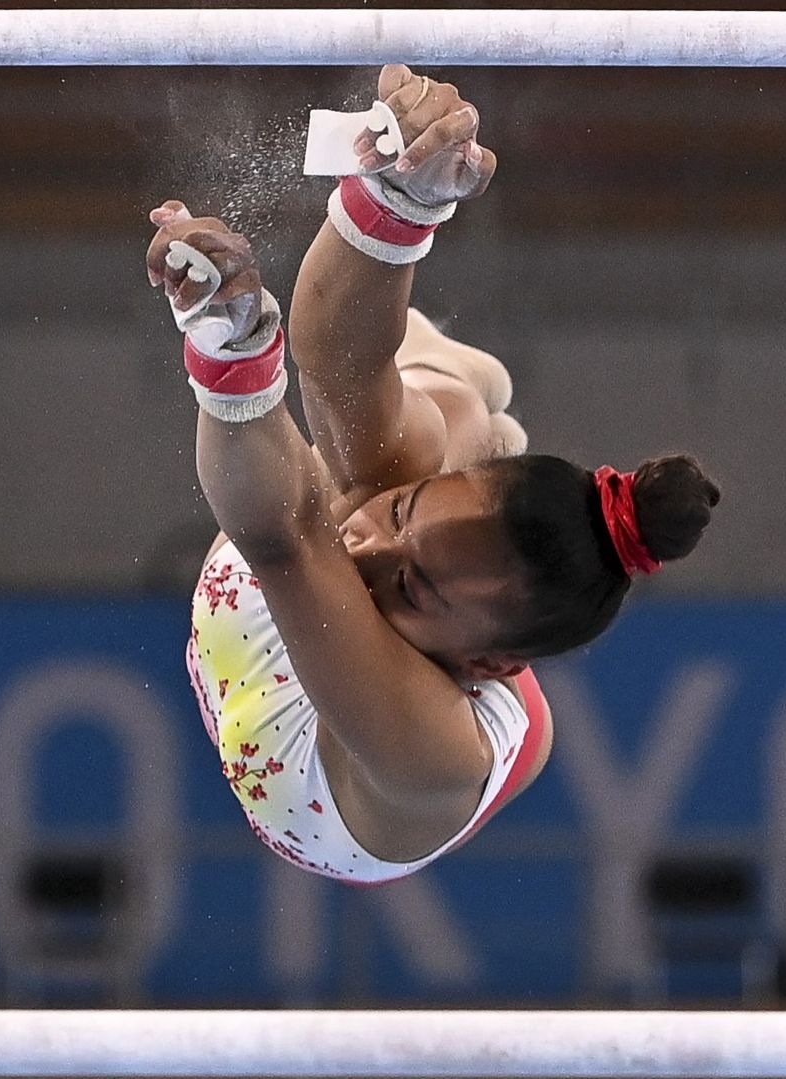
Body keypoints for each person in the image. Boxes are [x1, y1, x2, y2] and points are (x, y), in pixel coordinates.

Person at [147, 64, 721, 884]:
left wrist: (228, 344)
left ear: (489, 667)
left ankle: (465, 401)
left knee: (368, 489)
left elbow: (285, 538)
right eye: (404, 519)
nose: (368, 549)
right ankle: (454, 381)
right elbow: (335, 361)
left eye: (413, 587)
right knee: (421, 436)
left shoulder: (432, 757)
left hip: (340, 736)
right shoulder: (390, 515)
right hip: (377, 559)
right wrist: (395, 200)